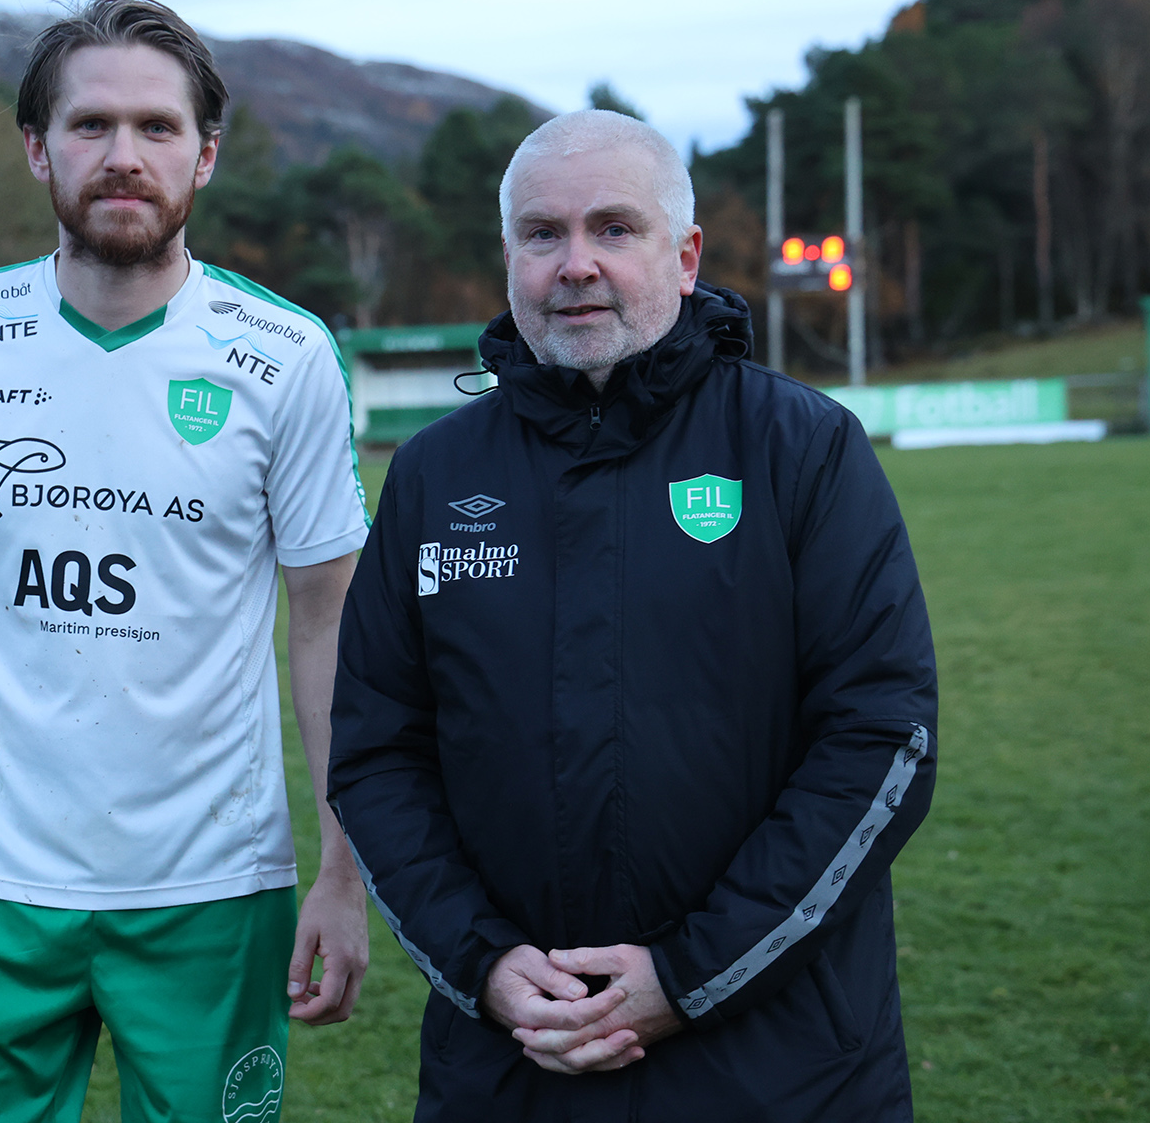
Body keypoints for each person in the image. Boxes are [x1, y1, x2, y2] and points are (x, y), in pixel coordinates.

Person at [0, 0, 372, 1123]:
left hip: (210, 885)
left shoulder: (287, 354)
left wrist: (342, 875)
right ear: (34, 147)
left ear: (205, 157)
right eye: (90, 125)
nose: (123, 156)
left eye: (157, 128)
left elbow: (331, 622)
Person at [328, 109, 938, 1121]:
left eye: (615, 229)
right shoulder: (436, 475)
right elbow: (377, 751)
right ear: (510, 256)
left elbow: (880, 737)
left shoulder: (803, 450)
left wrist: (690, 974)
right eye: (542, 234)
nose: (575, 264)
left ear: (685, 254)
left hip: (780, 1069)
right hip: (514, 1063)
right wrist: (485, 965)